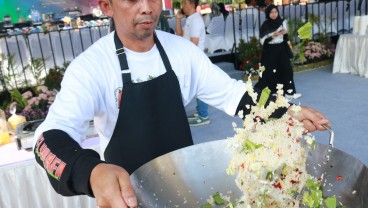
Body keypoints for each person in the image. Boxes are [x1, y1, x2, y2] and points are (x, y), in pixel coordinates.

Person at [33, 0, 329, 207]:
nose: (146, 7)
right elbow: (48, 138)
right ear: (107, 6)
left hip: (188, 188)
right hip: (131, 197)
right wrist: (91, 171)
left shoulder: (182, 52)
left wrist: (284, 110)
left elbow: (233, 94)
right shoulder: (91, 67)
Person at [254, 4, 302, 99]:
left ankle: (290, 92)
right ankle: (273, 92)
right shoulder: (265, 25)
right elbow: (263, 42)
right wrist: (273, 36)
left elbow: (285, 38)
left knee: (287, 70)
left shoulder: (282, 22)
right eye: (271, 12)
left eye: (275, 12)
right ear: (268, 13)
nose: (274, 14)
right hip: (270, 50)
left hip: (281, 48)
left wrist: (285, 34)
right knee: (270, 72)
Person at [175, 0, 210, 126]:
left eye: (185, 3)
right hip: (190, 57)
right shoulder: (190, 19)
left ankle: (204, 116)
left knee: (199, 86)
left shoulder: (195, 20)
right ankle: (201, 112)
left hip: (195, 58)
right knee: (196, 86)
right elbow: (179, 35)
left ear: (192, 5)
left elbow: (194, 43)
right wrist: (178, 19)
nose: (183, 5)